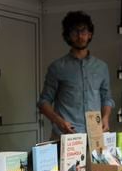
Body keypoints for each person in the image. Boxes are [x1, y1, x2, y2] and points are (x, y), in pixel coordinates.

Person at [38, 11, 115, 139]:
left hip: (95, 135)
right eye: (75, 32)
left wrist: (106, 118)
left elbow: (107, 98)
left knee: (95, 160)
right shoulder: (57, 67)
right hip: (65, 135)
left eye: (84, 32)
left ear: (90, 34)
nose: (80, 37)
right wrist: (59, 121)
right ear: (68, 36)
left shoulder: (102, 67)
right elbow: (43, 102)